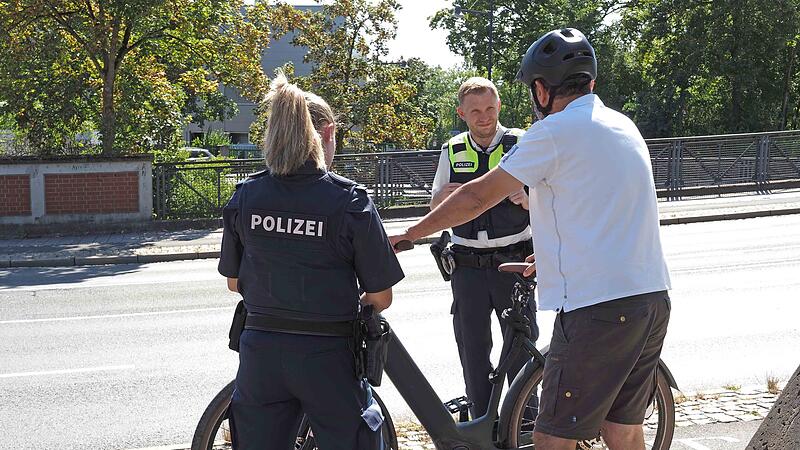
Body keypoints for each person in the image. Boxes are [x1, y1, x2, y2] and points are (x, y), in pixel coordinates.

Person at [390, 28, 671, 450]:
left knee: (551, 436)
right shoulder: (622, 125)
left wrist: (409, 234)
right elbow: (603, 209)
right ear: (590, 83)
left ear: (541, 89)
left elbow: (476, 196)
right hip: (650, 299)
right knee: (623, 430)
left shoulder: (553, 132)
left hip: (598, 310)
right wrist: (553, 256)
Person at [218, 71, 404, 450]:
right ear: (327, 135)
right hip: (329, 358)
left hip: (262, 356)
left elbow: (234, 283)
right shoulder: (350, 201)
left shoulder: (246, 196)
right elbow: (381, 296)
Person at [430, 76, 539, 419]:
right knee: (473, 351)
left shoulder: (522, 143)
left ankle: (525, 423)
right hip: (467, 268)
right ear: (461, 112)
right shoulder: (453, 149)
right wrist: (443, 198)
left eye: (490, 108)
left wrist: (529, 198)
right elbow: (434, 205)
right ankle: (481, 422)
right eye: (475, 110)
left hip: (513, 264)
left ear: (499, 107)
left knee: (521, 350)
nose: (484, 117)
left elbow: (554, 199)